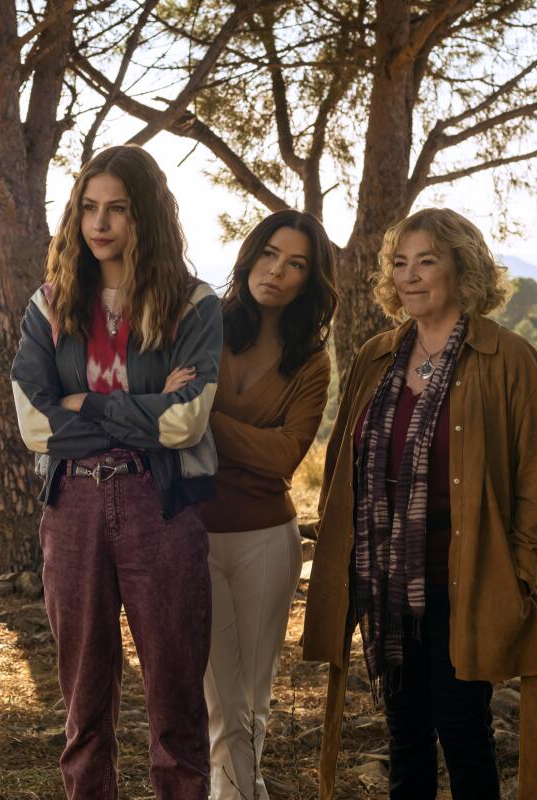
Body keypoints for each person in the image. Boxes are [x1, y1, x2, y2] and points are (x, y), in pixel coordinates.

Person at [303, 208, 537, 800]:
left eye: (427, 261)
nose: (410, 276)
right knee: (405, 735)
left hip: (468, 575)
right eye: (400, 263)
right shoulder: (377, 355)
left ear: (462, 268)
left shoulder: (509, 358)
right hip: (386, 579)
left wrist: (520, 574)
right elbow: (345, 467)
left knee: (463, 727)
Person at [10, 144, 222, 800]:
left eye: (118, 210)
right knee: (83, 705)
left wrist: (86, 403)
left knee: (176, 706)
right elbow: (33, 425)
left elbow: (187, 425)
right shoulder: (49, 306)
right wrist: (144, 409)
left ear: (146, 217)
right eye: (89, 209)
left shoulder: (193, 304)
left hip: (161, 506)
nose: (100, 224)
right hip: (70, 506)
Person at [194, 209, 337, 800]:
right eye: (270, 254)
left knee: (251, 703)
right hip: (191, 536)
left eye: (296, 264)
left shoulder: (311, 361)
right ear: (250, 255)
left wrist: (203, 418)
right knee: (222, 704)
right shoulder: (203, 326)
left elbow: (284, 458)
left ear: (309, 281)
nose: (277, 271)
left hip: (267, 542)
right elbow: (160, 416)